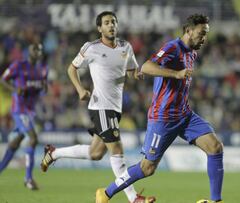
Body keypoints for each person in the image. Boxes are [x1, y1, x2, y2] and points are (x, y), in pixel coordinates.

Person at [95, 14, 224, 203]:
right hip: (163, 118)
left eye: (206, 34)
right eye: (201, 34)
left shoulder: (192, 52)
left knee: (215, 147)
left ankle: (216, 201)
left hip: (185, 115)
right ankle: (105, 193)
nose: (204, 38)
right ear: (188, 31)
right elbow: (146, 67)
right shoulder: (173, 47)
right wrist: (176, 73)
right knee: (147, 168)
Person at [40, 11, 155, 203]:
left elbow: (131, 71)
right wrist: (79, 89)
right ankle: (134, 198)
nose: (111, 25)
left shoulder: (126, 47)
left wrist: (138, 74)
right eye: (107, 23)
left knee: (95, 153)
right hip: (101, 106)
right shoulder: (91, 48)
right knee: (117, 149)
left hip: (115, 108)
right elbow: (71, 69)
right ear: (99, 28)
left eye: (114, 22)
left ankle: (54, 154)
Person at [0, 42, 47, 190]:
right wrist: (15, 89)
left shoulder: (40, 71)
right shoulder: (18, 65)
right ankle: (28, 179)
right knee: (33, 138)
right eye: (34, 49)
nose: (37, 52)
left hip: (30, 112)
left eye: (39, 50)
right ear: (29, 51)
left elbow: (40, 91)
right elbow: (3, 79)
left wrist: (44, 88)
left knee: (15, 143)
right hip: (19, 109)